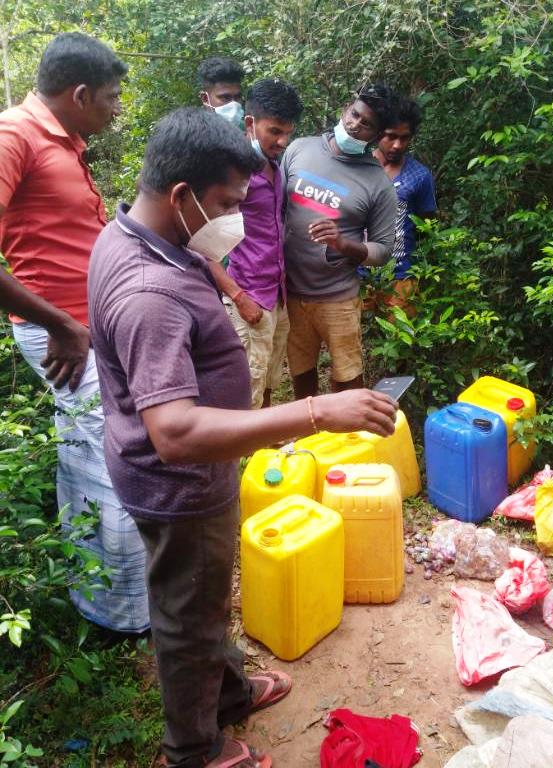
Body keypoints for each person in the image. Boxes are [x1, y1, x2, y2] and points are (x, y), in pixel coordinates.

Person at [87, 106, 398, 768]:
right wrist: (314, 413)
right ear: (182, 196)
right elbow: (173, 430)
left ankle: (227, 694)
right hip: (179, 483)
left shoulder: (141, 237)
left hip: (192, 476)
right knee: (186, 617)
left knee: (200, 599)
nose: (236, 215)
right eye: (228, 202)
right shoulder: (150, 289)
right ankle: (194, 751)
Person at [0, 32, 149, 633]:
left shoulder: (64, 139)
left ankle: (99, 599)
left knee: (87, 457)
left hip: (85, 329)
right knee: (117, 459)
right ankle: (127, 616)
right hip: (62, 334)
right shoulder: (15, 135)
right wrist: (60, 324)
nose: (117, 109)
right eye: (111, 98)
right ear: (80, 93)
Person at [281, 83, 399, 399]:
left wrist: (343, 244)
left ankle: (348, 438)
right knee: (301, 373)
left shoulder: (378, 183)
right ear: (346, 108)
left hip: (337, 297)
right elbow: (273, 211)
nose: (355, 125)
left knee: (347, 378)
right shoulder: (299, 149)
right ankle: (308, 436)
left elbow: (384, 250)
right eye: (354, 115)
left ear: (375, 136)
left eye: (366, 125)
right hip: (290, 291)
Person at [210, 78, 303, 409]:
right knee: (244, 391)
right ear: (250, 123)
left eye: (287, 133)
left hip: (275, 296)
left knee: (267, 380)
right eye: (274, 131)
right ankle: (244, 458)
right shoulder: (233, 172)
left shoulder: (273, 167)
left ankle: (264, 447)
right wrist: (238, 297)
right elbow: (202, 246)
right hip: (249, 298)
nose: (282, 141)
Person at [371, 96, 437, 308]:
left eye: (404, 138)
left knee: (398, 337)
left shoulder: (419, 176)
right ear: (378, 132)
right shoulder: (357, 167)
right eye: (391, 136)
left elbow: (426, 226)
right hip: (356, 274)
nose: (397, 145)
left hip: (401, 276)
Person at [197, 55, 245, 127]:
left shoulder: (249, 131)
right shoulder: (188, 133)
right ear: (205, 99)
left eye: (237, 97)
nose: (234, 104)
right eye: (225, 98)